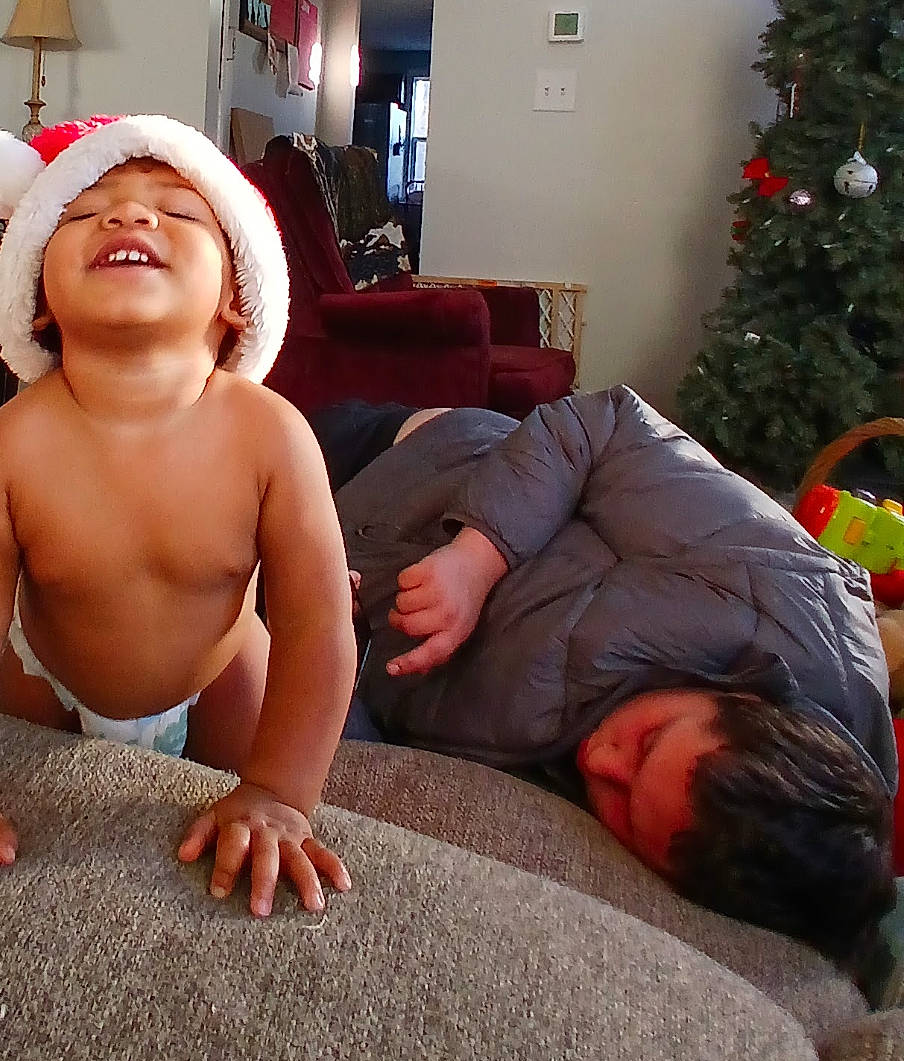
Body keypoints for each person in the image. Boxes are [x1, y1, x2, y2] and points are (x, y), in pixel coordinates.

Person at [0, 115, 357, 919]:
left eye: (179, 209)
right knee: (13, 771)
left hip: (218, 680)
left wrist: (281, 790)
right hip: (47, 678)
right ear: (35, 297)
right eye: (83, 209)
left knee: (254, 789)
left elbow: (317, 625)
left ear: (238, 296)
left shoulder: (271, 436)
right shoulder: (10, 445)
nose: (130, 217)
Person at [318, 390, 896, 960]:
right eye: (649, 742)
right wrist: (478, 557)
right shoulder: (784, 592)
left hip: (312, 599)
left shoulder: (765, 860)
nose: (600, 761)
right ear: (745, 696)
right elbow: (603, 425)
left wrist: (322, 652)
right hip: (391, 467)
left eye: (623, 807)